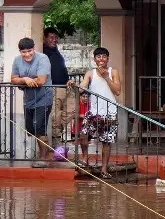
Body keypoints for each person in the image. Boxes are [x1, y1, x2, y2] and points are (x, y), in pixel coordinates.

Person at [77, 47, 122, 178]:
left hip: (110, 112)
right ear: (94, 59)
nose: (101, 59)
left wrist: (106, 77)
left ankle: (104, 169)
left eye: (104, 56)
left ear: (108, 58)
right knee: (83, 134)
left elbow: (118, 91)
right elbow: (82, 87)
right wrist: (76, 86)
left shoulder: (113, 72)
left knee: (106, 141)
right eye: (98, 57)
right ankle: (85, 158)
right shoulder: (90, 73)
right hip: (94, 111)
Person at [10, 37, 54, 166]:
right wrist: (25, 79)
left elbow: (41, 80)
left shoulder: (43, 58)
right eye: (24, 52)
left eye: (29, 51)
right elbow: (13, 78)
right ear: (20, 52)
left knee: (39, 128)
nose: (27, 54)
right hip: (28, 100)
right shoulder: (17, 60)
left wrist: (23, 81)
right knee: (30, 129)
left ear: (34, 49)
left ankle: (43, 158)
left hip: (44, 98)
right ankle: (47, 151)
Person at [42, 27, 73, 149]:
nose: (54, 40)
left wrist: (68, 79)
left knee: (72, 110)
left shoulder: (56, 51)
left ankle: (58, 131)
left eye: (56, 37)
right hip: (54, 88)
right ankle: (56, 144)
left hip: (65, 86)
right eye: (51, 37)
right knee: (55, 116)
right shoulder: (43, 52)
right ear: (45, 38)